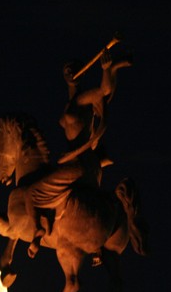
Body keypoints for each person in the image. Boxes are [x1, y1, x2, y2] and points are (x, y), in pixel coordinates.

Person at [25, 48, 131, 259]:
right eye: (65, 70)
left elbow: (104, 90)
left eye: (72, 69)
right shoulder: (72, 100)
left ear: (81, 72)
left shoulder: (83, 100)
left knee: (30, 194)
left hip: (80, 165)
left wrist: (106, 69)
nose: (69, 72)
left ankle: (37, 232)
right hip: (78, 161)